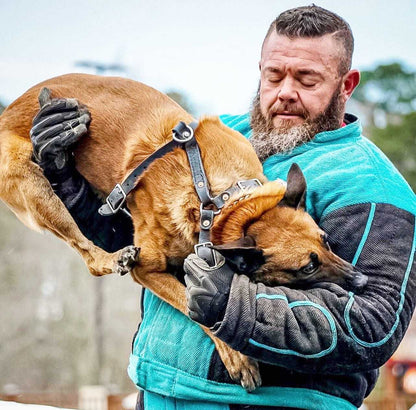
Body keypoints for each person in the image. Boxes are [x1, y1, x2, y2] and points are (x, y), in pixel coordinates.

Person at [29, 5, 416, 410]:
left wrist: (234, 304)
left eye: (307, 79)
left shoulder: (370, 186)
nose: (285, 91)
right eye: (274, 75)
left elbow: (370, 327)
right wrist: (66, 179)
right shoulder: (217, 139)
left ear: (345, 84)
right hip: (157, 393)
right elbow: (137, 247)